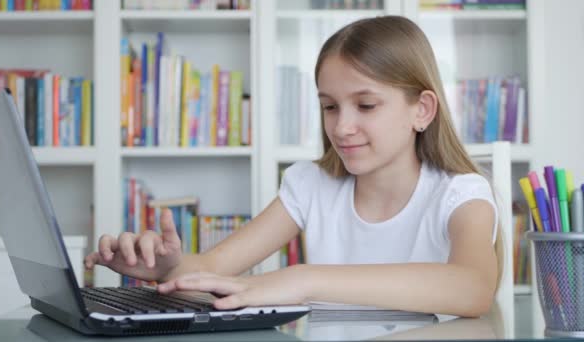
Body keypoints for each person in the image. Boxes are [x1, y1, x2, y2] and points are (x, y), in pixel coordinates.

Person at [85, 15, 501, 318]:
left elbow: (473, 287)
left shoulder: (461, 193)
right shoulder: (311, 183)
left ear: (422, 110)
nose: (342, 126)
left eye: (366, 105)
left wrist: (302, 279)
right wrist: (168, 269)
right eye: (329, 106)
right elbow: (213, 268)